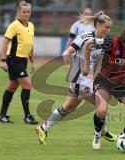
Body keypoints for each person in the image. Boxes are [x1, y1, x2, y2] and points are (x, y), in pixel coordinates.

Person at [35, 11, 117, 145]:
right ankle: (102, 132)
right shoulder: (84, 37)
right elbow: (67, 52)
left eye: (109, 28)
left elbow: (99, 62)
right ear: (98, 25)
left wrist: (95, 77)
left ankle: (43, 128)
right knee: (102, 105)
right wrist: (68, 57)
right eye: (106, 27)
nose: (108, 30)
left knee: (68, 107)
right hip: (79, 78)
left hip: (88, 80)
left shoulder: (104, 42)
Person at [0, 1, 38, 125]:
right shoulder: (14, 25)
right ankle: (27, 116)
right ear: (19, 12)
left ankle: (2, 115)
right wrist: (3, 60)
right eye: (24, 12)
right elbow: (5, 42)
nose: (26, 14)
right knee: (27, 85)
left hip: (23, 60)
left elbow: (30, 45)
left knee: (12, 86)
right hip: (14, 59)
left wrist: (32, 61)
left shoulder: (31, 25)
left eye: (28, 12)